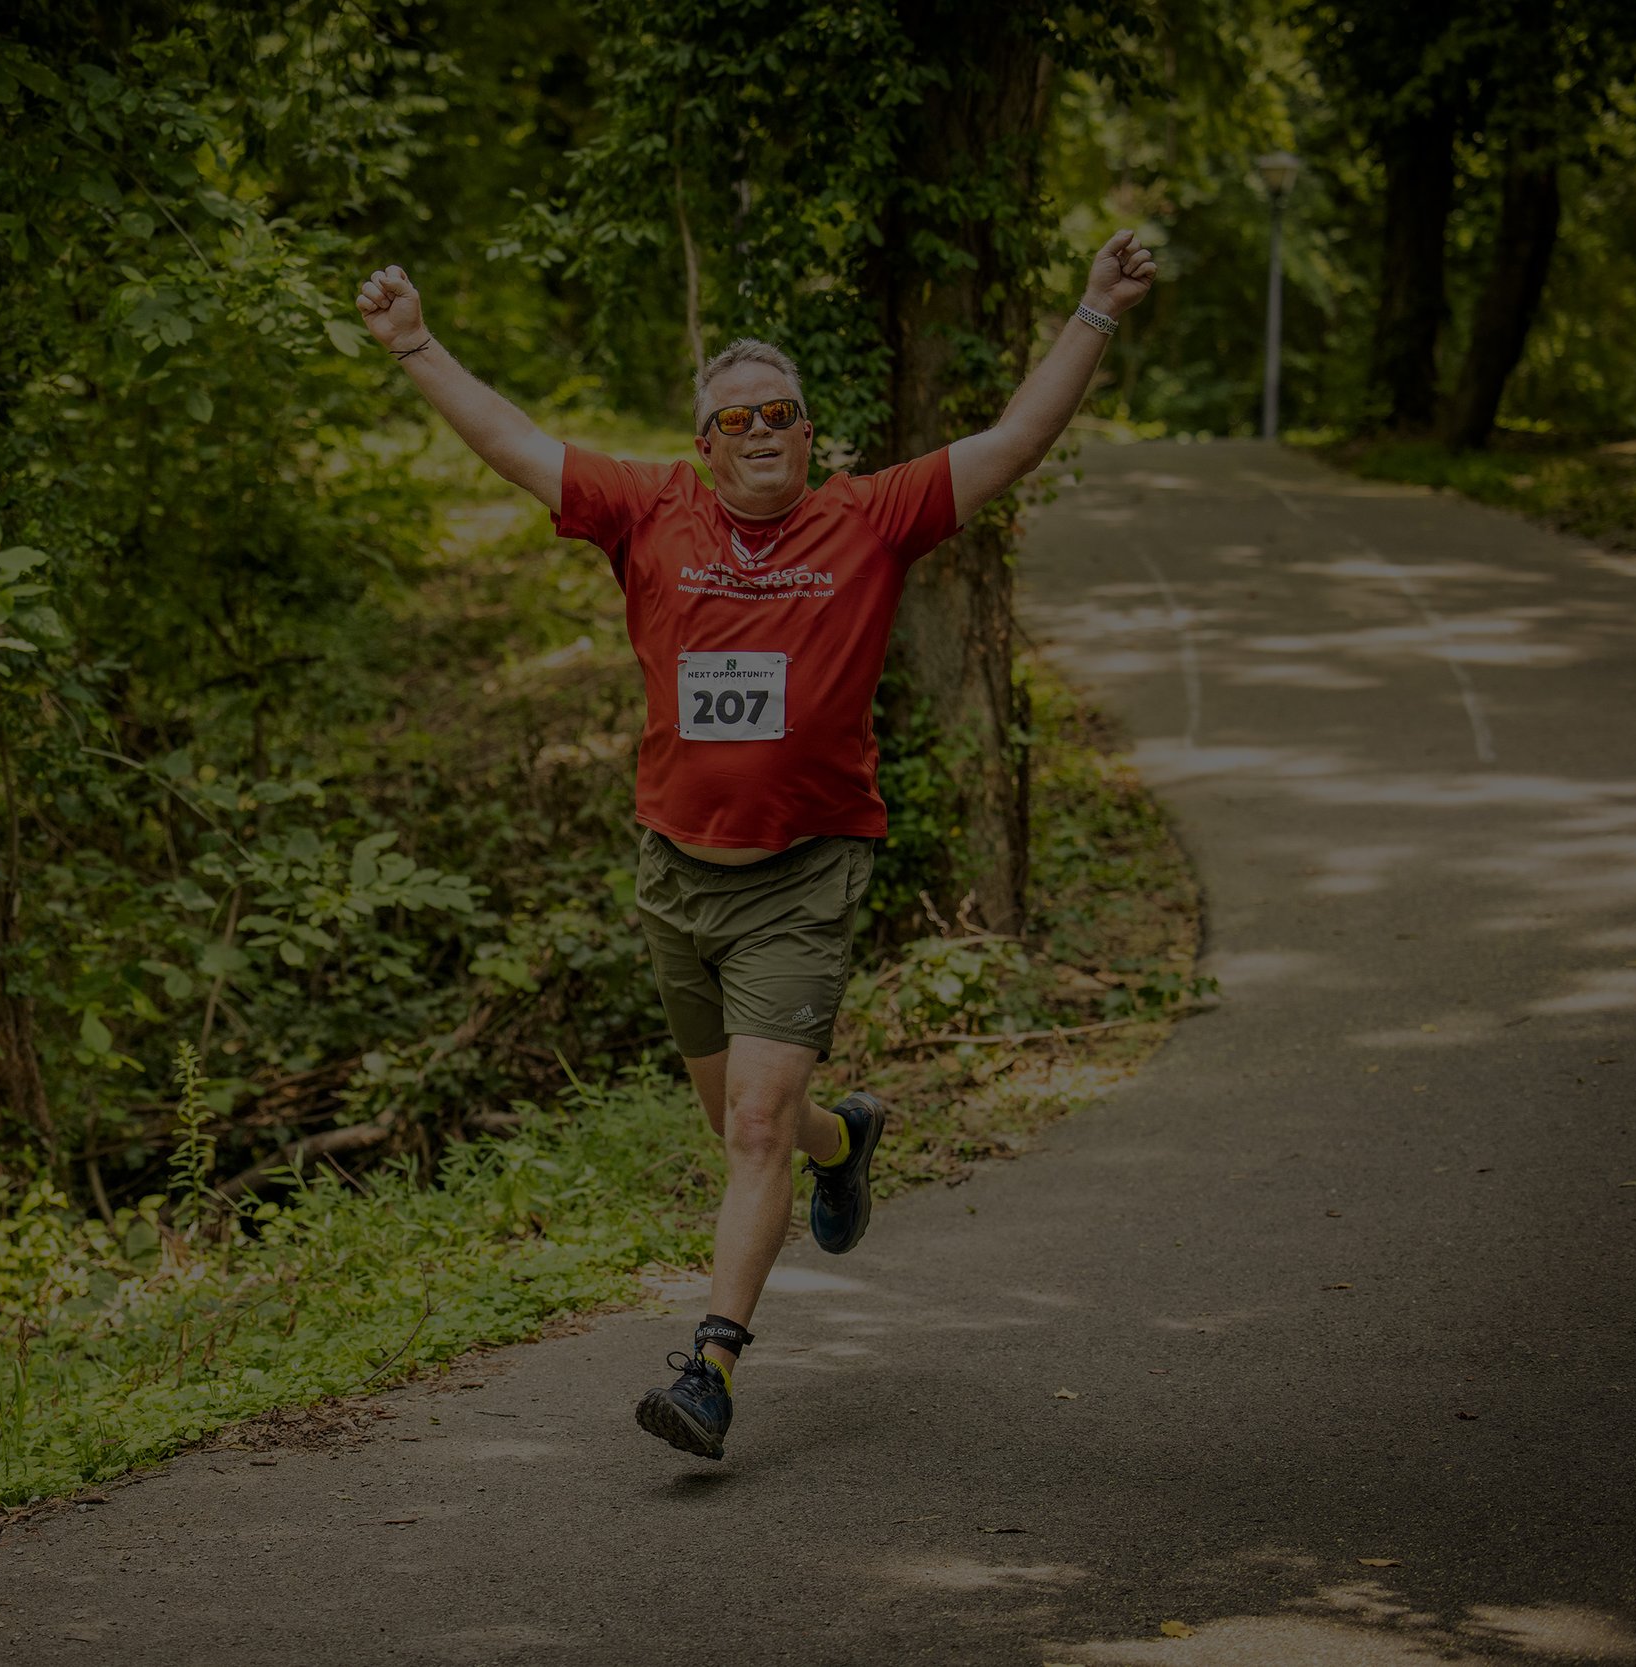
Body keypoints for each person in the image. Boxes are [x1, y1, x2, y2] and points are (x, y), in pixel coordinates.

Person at [355, 232, 1158, 1460]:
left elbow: (1011, 444)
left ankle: (711, 1368)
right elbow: (516, 443)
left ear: (808, 429)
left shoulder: (869, 519)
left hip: (805, 868)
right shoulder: (646, 508)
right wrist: (415, 344)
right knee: (745, 1117)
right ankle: (847, 1140)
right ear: (706, 441)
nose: (762, 428)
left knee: (749, 1128)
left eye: (782, 411)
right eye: (738, 417)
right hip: (677, 869)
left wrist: (1094, 311)